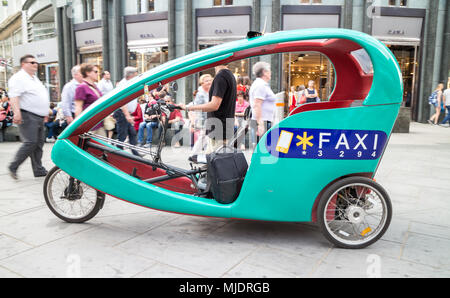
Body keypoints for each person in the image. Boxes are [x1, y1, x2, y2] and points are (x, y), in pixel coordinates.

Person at [7, 54, 50, 180]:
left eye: (36, 62)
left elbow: (39, 96)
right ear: (23, 64)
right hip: (27, 115)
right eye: (32, 62)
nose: (35, 64)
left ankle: (38, 169)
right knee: (30, 142)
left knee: (38, 144)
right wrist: (17, 113)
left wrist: (45, 112)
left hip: (39, 116)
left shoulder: (33, 78)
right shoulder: (18, 78)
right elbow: (14, 96)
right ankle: (13, 166)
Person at [181, 64, 237, 150]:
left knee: (216, 161)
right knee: (216, 160)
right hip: (222, 128)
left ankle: (194, 155)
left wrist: (189, 107)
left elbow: (214, 105)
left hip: (218, 129)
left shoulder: (221, 77)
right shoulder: (229, 75)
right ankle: (194, 155)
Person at [249, 61, 276, 148]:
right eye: (269, 71)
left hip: (263, 121)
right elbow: (257, 105)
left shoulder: (261, 84)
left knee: (262, 149)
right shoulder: (260, 85)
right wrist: (260, 124)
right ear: (264, 72)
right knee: (262, 149)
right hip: (262, 121)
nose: (271, 73)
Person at [114, 67, 140, 155]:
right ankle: (118, 154)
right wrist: (127, 115)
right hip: (122, 113)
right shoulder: (123, 84)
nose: (136, 76)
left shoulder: (129, 83)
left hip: (125, 113)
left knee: (132, 133)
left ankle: (135, 153)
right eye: (135, 75)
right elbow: (122, 102)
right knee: (122, 135)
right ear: (130, 75)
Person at [74, 63, 106, 136]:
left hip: (98, 123)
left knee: (102, 145)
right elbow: (78, 107)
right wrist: (78, 124)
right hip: (88, 124)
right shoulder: (82, 87)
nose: (98, 74)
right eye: (95, 72)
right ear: (87, 73)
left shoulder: (95, 86)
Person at [190, 74, 212, 153]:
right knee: (206, 137)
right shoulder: (200, 94)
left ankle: (194, 154)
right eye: (206, 81)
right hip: (204, 119)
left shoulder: (210, 92)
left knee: (205, 138)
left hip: (210, 119)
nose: (209, 82)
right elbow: (197, 108)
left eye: (210, 80)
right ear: (202, 83)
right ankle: (196, 154)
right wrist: (196, 122)